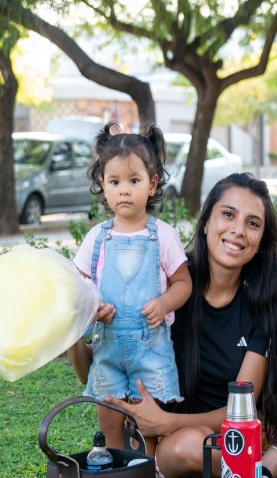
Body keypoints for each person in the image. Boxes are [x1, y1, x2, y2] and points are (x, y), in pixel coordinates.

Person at [71, 173, 277, 478]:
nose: (238, 230)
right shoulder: (165, 286)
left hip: (234, 426)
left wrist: (164, 422)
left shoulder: (263, 305)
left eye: (253, 223)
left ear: (261, 241)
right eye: (228, 214)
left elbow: (242, 409)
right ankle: (273, 468)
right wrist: (74, 326)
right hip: (173, 447)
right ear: (207, 222)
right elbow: (98, 375)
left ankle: (267, 466)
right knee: (189, 443)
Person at [71, 122, 192, 455]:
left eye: (133, 180)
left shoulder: (162, 235)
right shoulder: (97, 237)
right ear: (102, 186)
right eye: (115, 182)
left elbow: (184, 283)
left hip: (149, 351)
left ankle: (150, 471)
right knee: (109, 413)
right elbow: (78, 286)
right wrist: (92, 307)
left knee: (147, 419)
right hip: (108, 349)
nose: (124, 190)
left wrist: (166, 302)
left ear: (152, 185)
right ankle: (114, 464)